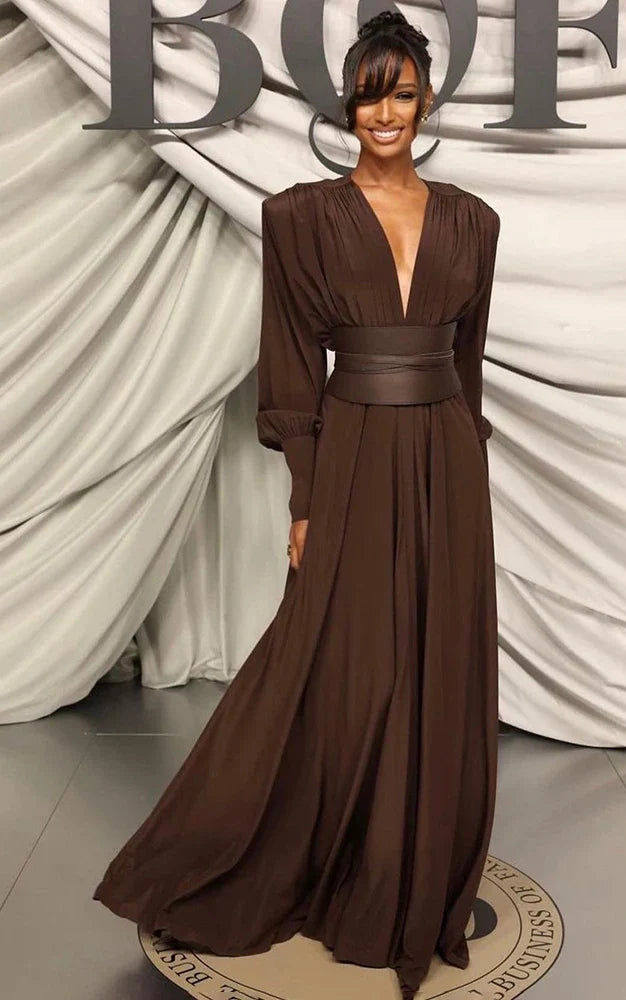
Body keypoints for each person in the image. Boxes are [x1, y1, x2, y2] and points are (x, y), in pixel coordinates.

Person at [92, 10, 501, 1000]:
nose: (386, 114)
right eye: (369, 95)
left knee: (435, 659)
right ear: (347, 104)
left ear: (428, 102)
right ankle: (261, 848)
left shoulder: (473, 222)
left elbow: (469, 362)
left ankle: (407, 871)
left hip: (448, 461)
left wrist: (464, 466)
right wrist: (306, 499)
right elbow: (289, 366)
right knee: (336, 663)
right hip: (353, 451)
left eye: (403, 94)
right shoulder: (301, 216)